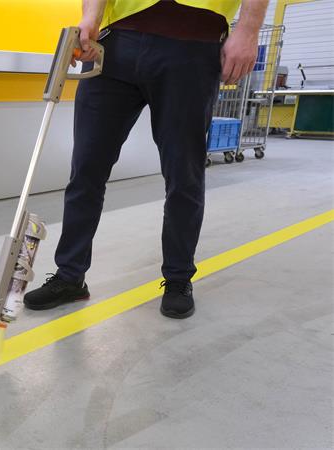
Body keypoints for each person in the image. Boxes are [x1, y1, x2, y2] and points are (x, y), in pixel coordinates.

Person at [24, 0, 268, 319]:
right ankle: (70, 275)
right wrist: (90, 17)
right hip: (114, 44)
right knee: (86, 168)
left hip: (193, 45)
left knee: (184, 173)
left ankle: (178, 278)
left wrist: (248, 31)